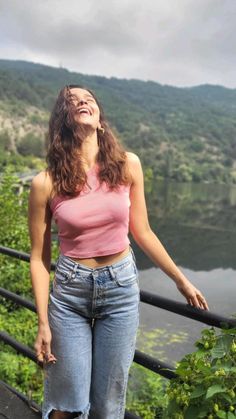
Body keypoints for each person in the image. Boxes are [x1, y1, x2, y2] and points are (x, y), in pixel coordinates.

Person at [28, 84, 209, 419]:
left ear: (100, 120)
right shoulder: (45, 182)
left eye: (88, 99)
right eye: (71, 102)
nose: (81, 102)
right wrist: (42, 322)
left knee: (109, 404)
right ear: (63, 121)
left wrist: (181, 281)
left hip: (121, 287)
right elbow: (39, 259)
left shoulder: (128, 165)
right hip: (70, 292)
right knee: (68, 402)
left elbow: (142, 232)